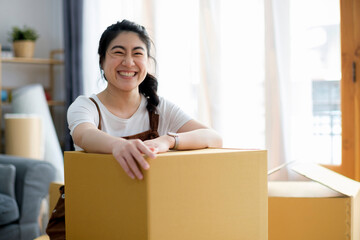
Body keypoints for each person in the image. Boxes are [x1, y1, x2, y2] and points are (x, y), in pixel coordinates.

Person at [67, 19, 222, 180]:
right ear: (102, 60)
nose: (128, 62)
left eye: (137, 53)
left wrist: (168, 140)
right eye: (119, 52)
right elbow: (84, 135)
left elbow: (214, 137)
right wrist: (119, 145)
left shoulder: (160, 108)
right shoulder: (86, 106)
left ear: (147, 62)